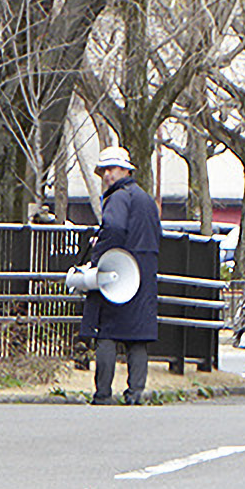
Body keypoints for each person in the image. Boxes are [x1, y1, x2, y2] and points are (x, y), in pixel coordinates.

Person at [80, 145, 161, 405]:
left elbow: (113, 228)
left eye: (111, 169)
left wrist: (98, 253)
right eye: (104, 170)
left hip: (118, 271)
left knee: (106, 333)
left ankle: (103, 393)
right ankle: (136, 393)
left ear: (126, 170)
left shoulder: (117, 198)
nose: (106, 175)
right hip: (144, 272)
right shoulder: (146, 199)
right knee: (138, 337)